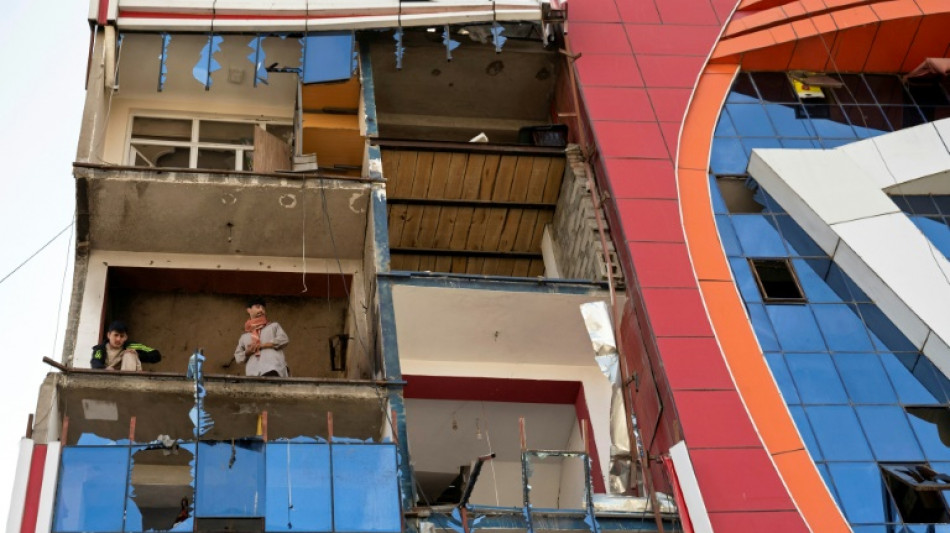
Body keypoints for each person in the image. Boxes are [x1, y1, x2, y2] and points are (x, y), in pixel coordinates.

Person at [234, 297, 289, 377]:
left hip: (274, 369)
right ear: (249, 310)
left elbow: (283, 339)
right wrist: (248, 352)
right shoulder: (244, 337)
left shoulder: (273, 326)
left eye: (263, 308)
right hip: (253, 373)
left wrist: (262, 345)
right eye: (257, 307)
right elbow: (238, 357)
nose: (261, 310)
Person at [90, 321, 162, 371]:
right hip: (109, 380)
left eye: (122, 336)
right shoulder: (100, 349)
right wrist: (105, 369)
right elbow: (95, 362)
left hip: (128, 382)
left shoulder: (132, 345)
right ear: (108, 335)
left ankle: (128, 382)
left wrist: (138, 355)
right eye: (116, 335)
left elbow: (156, 354)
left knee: (129, 354)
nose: (118, 339)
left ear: (126, 337)